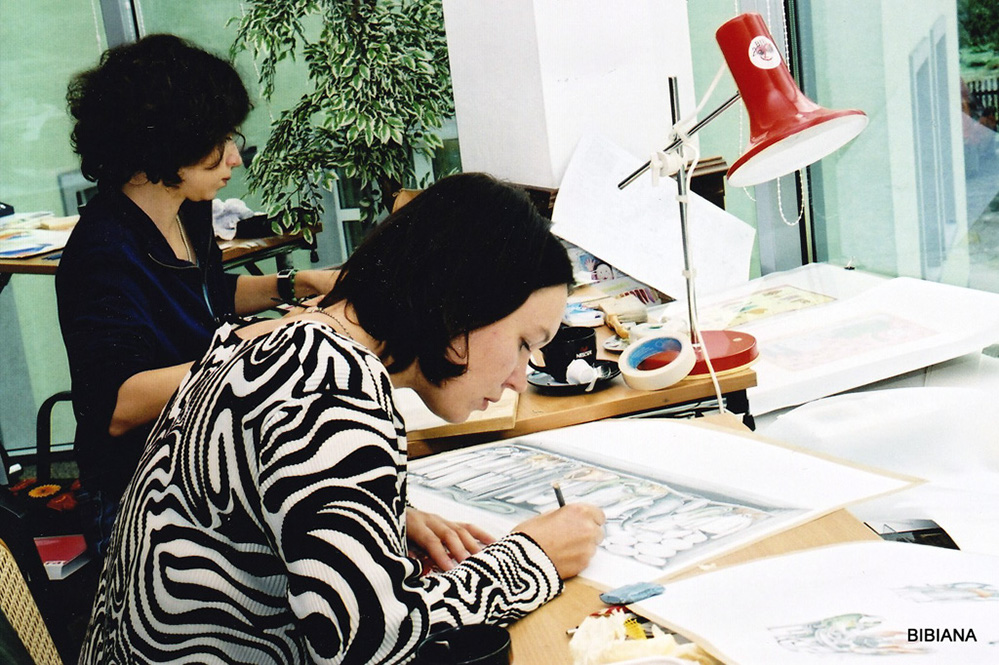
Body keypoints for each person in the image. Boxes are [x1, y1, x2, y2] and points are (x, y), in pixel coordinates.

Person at [80, 173, 605, 663]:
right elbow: (363, 642)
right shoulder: (331, 385)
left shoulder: (294, 343)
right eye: (523, 343)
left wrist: (373, 517)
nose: (520, 377)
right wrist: (532, 559)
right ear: (464, 303)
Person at [58, 34, 336, 555]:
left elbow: (202, 297)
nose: (235, 156)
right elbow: (118, 404)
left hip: (198, 463)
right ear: (166, 141)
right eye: (220, 139)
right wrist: (263, 342)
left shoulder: (186, 210)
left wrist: (296, 285)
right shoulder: (104, 250)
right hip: (138, 497)